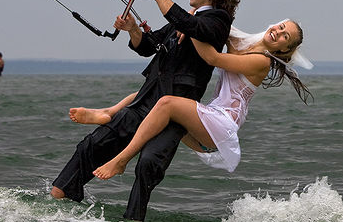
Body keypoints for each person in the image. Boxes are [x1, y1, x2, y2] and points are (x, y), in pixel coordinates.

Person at [51, 0, 240, 222]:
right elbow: (148, 46)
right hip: (146, 100)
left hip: (174, 112)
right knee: (91, 145)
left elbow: (191, 25)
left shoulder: (218, 21)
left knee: (148, 165)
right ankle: (59, 199)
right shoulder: (184, 20)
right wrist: (133, 29)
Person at [88, 20, 312, 184]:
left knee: (167, 103)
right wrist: (193, 17)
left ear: (284, 49)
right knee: (158, 93)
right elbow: (215, 22)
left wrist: (189, 27)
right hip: (207, 123)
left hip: (221, 126)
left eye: (285, 36)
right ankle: (109, 112)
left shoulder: (262, 61)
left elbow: (212, 58)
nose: (278, 32)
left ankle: (121, 160)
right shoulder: (243, 42)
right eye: (281, 27)